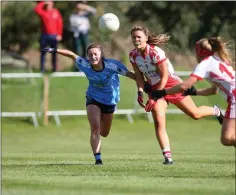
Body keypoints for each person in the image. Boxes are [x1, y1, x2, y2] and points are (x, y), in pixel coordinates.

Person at [129, 26, 223, 165]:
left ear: (146, 38)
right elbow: (139, 76)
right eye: (134, 37)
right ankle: (168, 157)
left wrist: (155, 97)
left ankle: (216, 110)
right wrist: (140, 92)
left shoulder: (156, 52)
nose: (136, 39)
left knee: (195, 114)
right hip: (155, 89)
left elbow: (165, 76)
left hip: (171, 85)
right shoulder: (133, 55)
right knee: (159, 122)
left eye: (139, 37)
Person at [41, 43, 135, 165]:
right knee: (95, 127)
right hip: (93, 98)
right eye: (90, 54)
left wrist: (146, 85)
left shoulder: (112, 66)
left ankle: (100, 132)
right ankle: (98, 159)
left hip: (109, 101)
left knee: (104, 133)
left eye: (95, 54)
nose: (93, 57)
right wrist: (54, 50)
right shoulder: (85, 64)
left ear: (101, 55)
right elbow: (72, 55)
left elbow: (130, 75)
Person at [151, 37, 236, 147]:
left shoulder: (205, 64)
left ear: (200, 52)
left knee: (227, 139)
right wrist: (195, 92)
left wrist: (163, 92)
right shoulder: (219, 60)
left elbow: (184, 86)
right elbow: (213, 90)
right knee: (231, 137)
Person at [34, 1, 63, 72]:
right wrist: (43, 2)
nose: (49, 3)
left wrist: (59, 34)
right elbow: (36, 9)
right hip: (44, 36)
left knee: (54, 53)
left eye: (50, 1)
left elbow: (60, 23)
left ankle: (54, 69)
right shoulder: (43, 12)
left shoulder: (56, 12)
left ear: (52, 3)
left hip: (54, 36)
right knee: (43, 52)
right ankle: (42, 69)